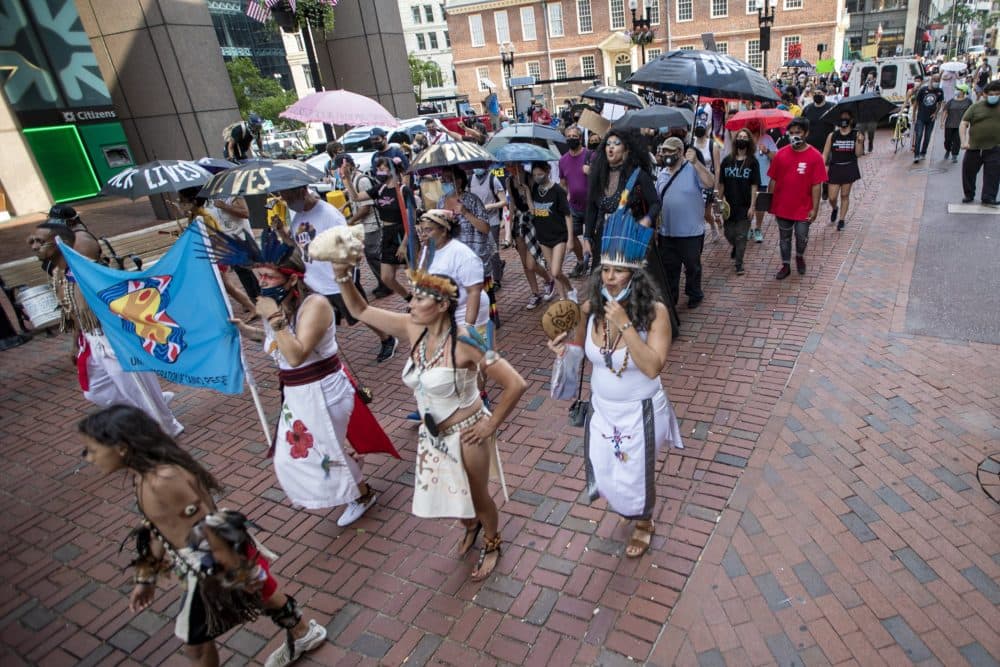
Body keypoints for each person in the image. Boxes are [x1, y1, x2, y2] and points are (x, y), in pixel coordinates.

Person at [326, 220, 528, 581]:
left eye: (419, 298)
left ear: (441, 305)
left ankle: (493, 540)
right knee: (454, 497)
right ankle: (471, 527)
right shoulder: (412, 328)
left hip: (468, 433)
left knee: (478, 495)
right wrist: (341, 276)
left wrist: (491, 423)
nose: (411, 302)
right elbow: (359, 312)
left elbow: (515, 383)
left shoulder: (467, 341)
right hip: (433, 435)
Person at [79, 405, 326, 667]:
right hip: (206, 561)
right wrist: (146, 576)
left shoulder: (163, 479)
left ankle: (303, 633)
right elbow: (156, 527)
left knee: (196, 645)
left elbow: (209, 527)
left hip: (210, 566)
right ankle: (303, 633)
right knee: (261, 593)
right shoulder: (143, 476)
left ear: (121, 448)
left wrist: (238, 571)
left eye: (93, 450)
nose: (88, 458)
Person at [547, 214, 683, 558]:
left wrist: (623, 325)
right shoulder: (590, 308)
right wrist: (563, 351)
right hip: (602, 410)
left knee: (636, 472)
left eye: (618, 270)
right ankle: (630, 508)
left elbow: (653, 366)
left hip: (641, 411)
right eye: (605, 269)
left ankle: (644, 522)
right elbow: (578, 354)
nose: (609, 277)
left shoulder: (655, 312)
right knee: (606, 467)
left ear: (634, 274)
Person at [228, 242, 380, 525]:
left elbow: (296, 355)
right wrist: (244, 329)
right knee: (304, 453)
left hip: (324, 393)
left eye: (269, 277)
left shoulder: (316, 305)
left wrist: (273, 317)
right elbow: (276, 346)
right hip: (299, 395)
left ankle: (361, 492)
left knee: (313, 453)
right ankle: (350, 473)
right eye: (260, 276)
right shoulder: (281, 306)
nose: (262, 283)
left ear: (293, 278)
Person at [30, 222, 184, 437]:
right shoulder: (59, 274)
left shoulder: (89, 271)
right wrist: (77, 342)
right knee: (96, 391)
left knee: (138, 389)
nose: (34, 246)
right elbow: (75, 313)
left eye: (39, 241)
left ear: (60, 243)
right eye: (32, 241)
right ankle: (152, 402)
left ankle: (166, 428)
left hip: (114, 337)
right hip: (92, 339)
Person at [275, 186, 398, 362]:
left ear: (302, 191)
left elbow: (348, 242)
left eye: (288, 197)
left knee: (359, 311)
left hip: (336, 280)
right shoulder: (298, 216)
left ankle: (387, 337)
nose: (288, 203)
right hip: (314, 281)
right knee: (319, 316)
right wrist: (281, 230)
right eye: (284, 199)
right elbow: (297, 245)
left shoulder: (328, 213)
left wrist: (346, 274)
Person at [176, 187, 259, 319]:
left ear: (193, 201)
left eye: (182, 200)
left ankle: (252, 305)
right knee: (226, 287)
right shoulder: (195, 216)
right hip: (210, 257)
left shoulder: (204, 217)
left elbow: (215, 240)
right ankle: (250, 305)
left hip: (217, 256)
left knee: (231, 285)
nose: (180, 203)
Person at [584, 130, 660, 265]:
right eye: (608, 144)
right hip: (604, 238)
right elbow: (591, 209)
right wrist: (587, 238)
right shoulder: (598, 176)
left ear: (626, 150)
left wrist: (647, 219)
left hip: (631, 236)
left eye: (616, 144)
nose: (611, 147)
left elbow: (655, 203)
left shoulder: (638, 175)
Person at [656, 136, 714, 309]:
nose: (666, 155)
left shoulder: (692, 169)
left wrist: (696, 162)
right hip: (667, 232)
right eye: (663, 151)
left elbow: (710, 182)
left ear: (680, 152)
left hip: (691, 232)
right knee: (669, 269)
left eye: (670, 151)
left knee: (692, 266)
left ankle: (694, 293)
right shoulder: (662, 173)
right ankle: (671, 297)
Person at [343, 157, 413, 300]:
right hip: (387, 233)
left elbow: (411, 220)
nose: (379, 172)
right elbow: (356, 197)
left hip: (402, 233)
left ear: (392, 169)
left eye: (382, 169)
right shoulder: (380, 189)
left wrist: (404, 244)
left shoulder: (403, 190)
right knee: (386, 277)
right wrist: (347, 179)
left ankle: (422, 304)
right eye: (378, 169)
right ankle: (409, 298)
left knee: (412, 275)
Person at [767, 117, 828, 279]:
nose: (794, 136)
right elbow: (773, 179)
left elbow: (817, 185)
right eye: (791, 132)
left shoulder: (815, 156)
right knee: (784, 238)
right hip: (783, 206)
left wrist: (815, 208)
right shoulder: (781, 154)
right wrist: (768, 201)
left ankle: (799, 256)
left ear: (806, 133)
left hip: (803, 207)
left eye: (798, 132)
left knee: (802, 237)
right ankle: (785, 265)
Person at [438, 167, 498, 325]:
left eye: (447, 179)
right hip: (453, 257)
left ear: (458, 181)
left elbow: (485, 228)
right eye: (442, 179)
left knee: (480, 292)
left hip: (475, 255)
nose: (443, 182)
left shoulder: (472, 200)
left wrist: (465, 212)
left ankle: (488, 320)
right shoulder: (441, 201)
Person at [335, 154, 390, 298]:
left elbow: (365, 208)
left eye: (340, 168)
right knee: (371, 256)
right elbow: (355, 198)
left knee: (374, 256)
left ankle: (387, 284)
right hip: (364, 226)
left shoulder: (362, 180)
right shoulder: (352, 179)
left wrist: (350, 221)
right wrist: (346, 205)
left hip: (372, 225)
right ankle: (383, 282)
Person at [505, 161, 553, 310]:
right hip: (518, 221)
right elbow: (512, 203)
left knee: (532, 262)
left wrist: (526, 192)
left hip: (532, 220)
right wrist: (508, 228)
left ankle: (548, 279)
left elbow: (535, 206)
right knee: (525, 263)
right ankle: (535, 292)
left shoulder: (529, 178)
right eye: (508, 165)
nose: (511, 168)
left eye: (513, 165)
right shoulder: (509, 181)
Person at [528, 161, 576, 302]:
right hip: (543, 236)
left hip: (559, 236)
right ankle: (562, 298)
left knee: (555, 270)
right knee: (554, 273)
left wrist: (571, 239)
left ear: (548, 171)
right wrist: (527, 192)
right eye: (535, 175)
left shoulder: (558, 191)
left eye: (540, 174)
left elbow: (568, 215)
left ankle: (571, 289)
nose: (537, 177)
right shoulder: (535, 188)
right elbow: (533, 211)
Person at [717, 128, 760, 275]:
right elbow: (721, 183)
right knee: (729, 233)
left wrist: (753, 206)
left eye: (745, 137)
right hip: (729, 205)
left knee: (741, 235)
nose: (742, 139)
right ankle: (735, 246)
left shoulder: (753, 162)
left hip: (745, 205)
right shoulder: (727, 161)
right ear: (735, 141)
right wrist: (718, 202)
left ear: (749, 141)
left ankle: (739, 264)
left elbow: (754, 185)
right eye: (739, 136)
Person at [959, 80, 1000, 207]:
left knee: (993, 174)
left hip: (995, 147)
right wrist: (964, 141)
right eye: (991, 94)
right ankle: (969, 194)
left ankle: (989, 197)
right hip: (974, 147)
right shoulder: (976, 107)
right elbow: (964, 123)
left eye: (997, 94)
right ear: (985, 94)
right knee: (968, 171)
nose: (994, 96)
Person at [559, 125, 593, 277]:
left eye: (575, 136)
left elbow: (603, 177)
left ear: (580, 138)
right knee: (570, 235)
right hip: (573, 206)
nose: (571, 138)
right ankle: (581, 262)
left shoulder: (591, 155)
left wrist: (591, 172)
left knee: (594, 237)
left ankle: (596, 265)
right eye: (569, 136)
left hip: (592, 206)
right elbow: (563, 183)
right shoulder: (563, 160)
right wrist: (565, 197)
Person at [823, 110, 863, 231]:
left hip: (849, 167)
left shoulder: (856, 134)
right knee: (832, 197)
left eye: (846, 117)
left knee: (845, 195)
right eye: (841, 118)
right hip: (835, 167)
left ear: (851, 120)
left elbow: (858, 154)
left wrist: (860, 142)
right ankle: (835, 208)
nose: (843, 120)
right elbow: (824, 154)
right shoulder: (832, 135)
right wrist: (822, 167)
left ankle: (841, 219)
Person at [468, 165, 507, 288]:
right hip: (476, 221)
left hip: (492, 221)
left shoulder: (493, 179)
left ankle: (496, 280)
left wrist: (490, 206)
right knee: (479, 250)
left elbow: (504, 201)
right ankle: (489, 273)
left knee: (493, 251)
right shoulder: (470, 180)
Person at [691, 115, 722, 242]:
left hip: (707, 183)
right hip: (693, 182)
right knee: (694, 211)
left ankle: (713, 225)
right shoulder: (691, 143)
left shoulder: (712, 145)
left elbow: (717, 167)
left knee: (705, 213)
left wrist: (716, 187)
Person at [748, 120, 777, 243]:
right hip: (747, 178)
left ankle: (758, 228)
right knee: (748, 205)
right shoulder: (745, 140)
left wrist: (766, 151)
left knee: (760, 206)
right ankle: (748, 228)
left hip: (763, 178)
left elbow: (776, 158)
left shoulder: (767, 139)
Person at [912, 74, 945, 163]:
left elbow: (940, 103)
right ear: (931, 80)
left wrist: (935, 114)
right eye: (935, 80)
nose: (936, 82)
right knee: (918, 135)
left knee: (927, 137)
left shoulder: (939, 91)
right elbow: (916, 103)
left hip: (931, 119)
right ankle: (916, 155)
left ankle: (923, 152)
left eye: (938, 80)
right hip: (921, 117)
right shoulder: (923, 90)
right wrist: (914, 116)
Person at [944, 85, 974, 164]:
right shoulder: (951, 101)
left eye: (959, 90)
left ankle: (954, 155)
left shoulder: (968, 101)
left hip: (961, 124)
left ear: (963, 92)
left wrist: (970, 121)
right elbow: (946, 111)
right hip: (949, 124)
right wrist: (942, 122)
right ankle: (947, 149)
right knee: (948, 140)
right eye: (957, 89)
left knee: (957, 140)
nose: (957, 91)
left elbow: (972, 111)